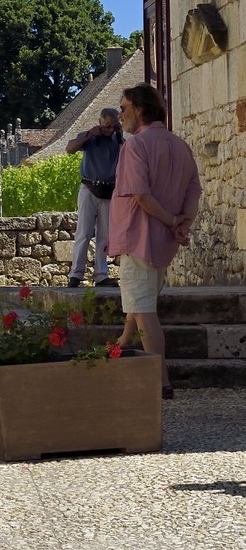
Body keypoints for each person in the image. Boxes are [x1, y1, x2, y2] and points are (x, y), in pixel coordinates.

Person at [108, 84, 200, 401]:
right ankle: (122, 341)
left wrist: (174, 222)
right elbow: (193, 191)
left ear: (140, 109)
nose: (119, 114)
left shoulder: (136, 146)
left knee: (145, 309)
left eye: (124, 108)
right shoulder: (179, 145)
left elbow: (141, 196)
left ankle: (160, 381)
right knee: (141, 300)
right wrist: (180, 224)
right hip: (163, 243)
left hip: (138, 238)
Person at [64, 107, 123, 287]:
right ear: (99, 123)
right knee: (84, 231)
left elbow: (127, 158)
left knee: (104, 235)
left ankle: (101, 274)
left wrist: (119, 137)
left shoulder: (118, 140)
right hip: (89, 187)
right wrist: (89, 135)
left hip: (108, 190)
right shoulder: (89, 137)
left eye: (113, 127)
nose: (110, 130)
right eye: (107, 126)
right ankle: (76, 273)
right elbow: (70, 149)